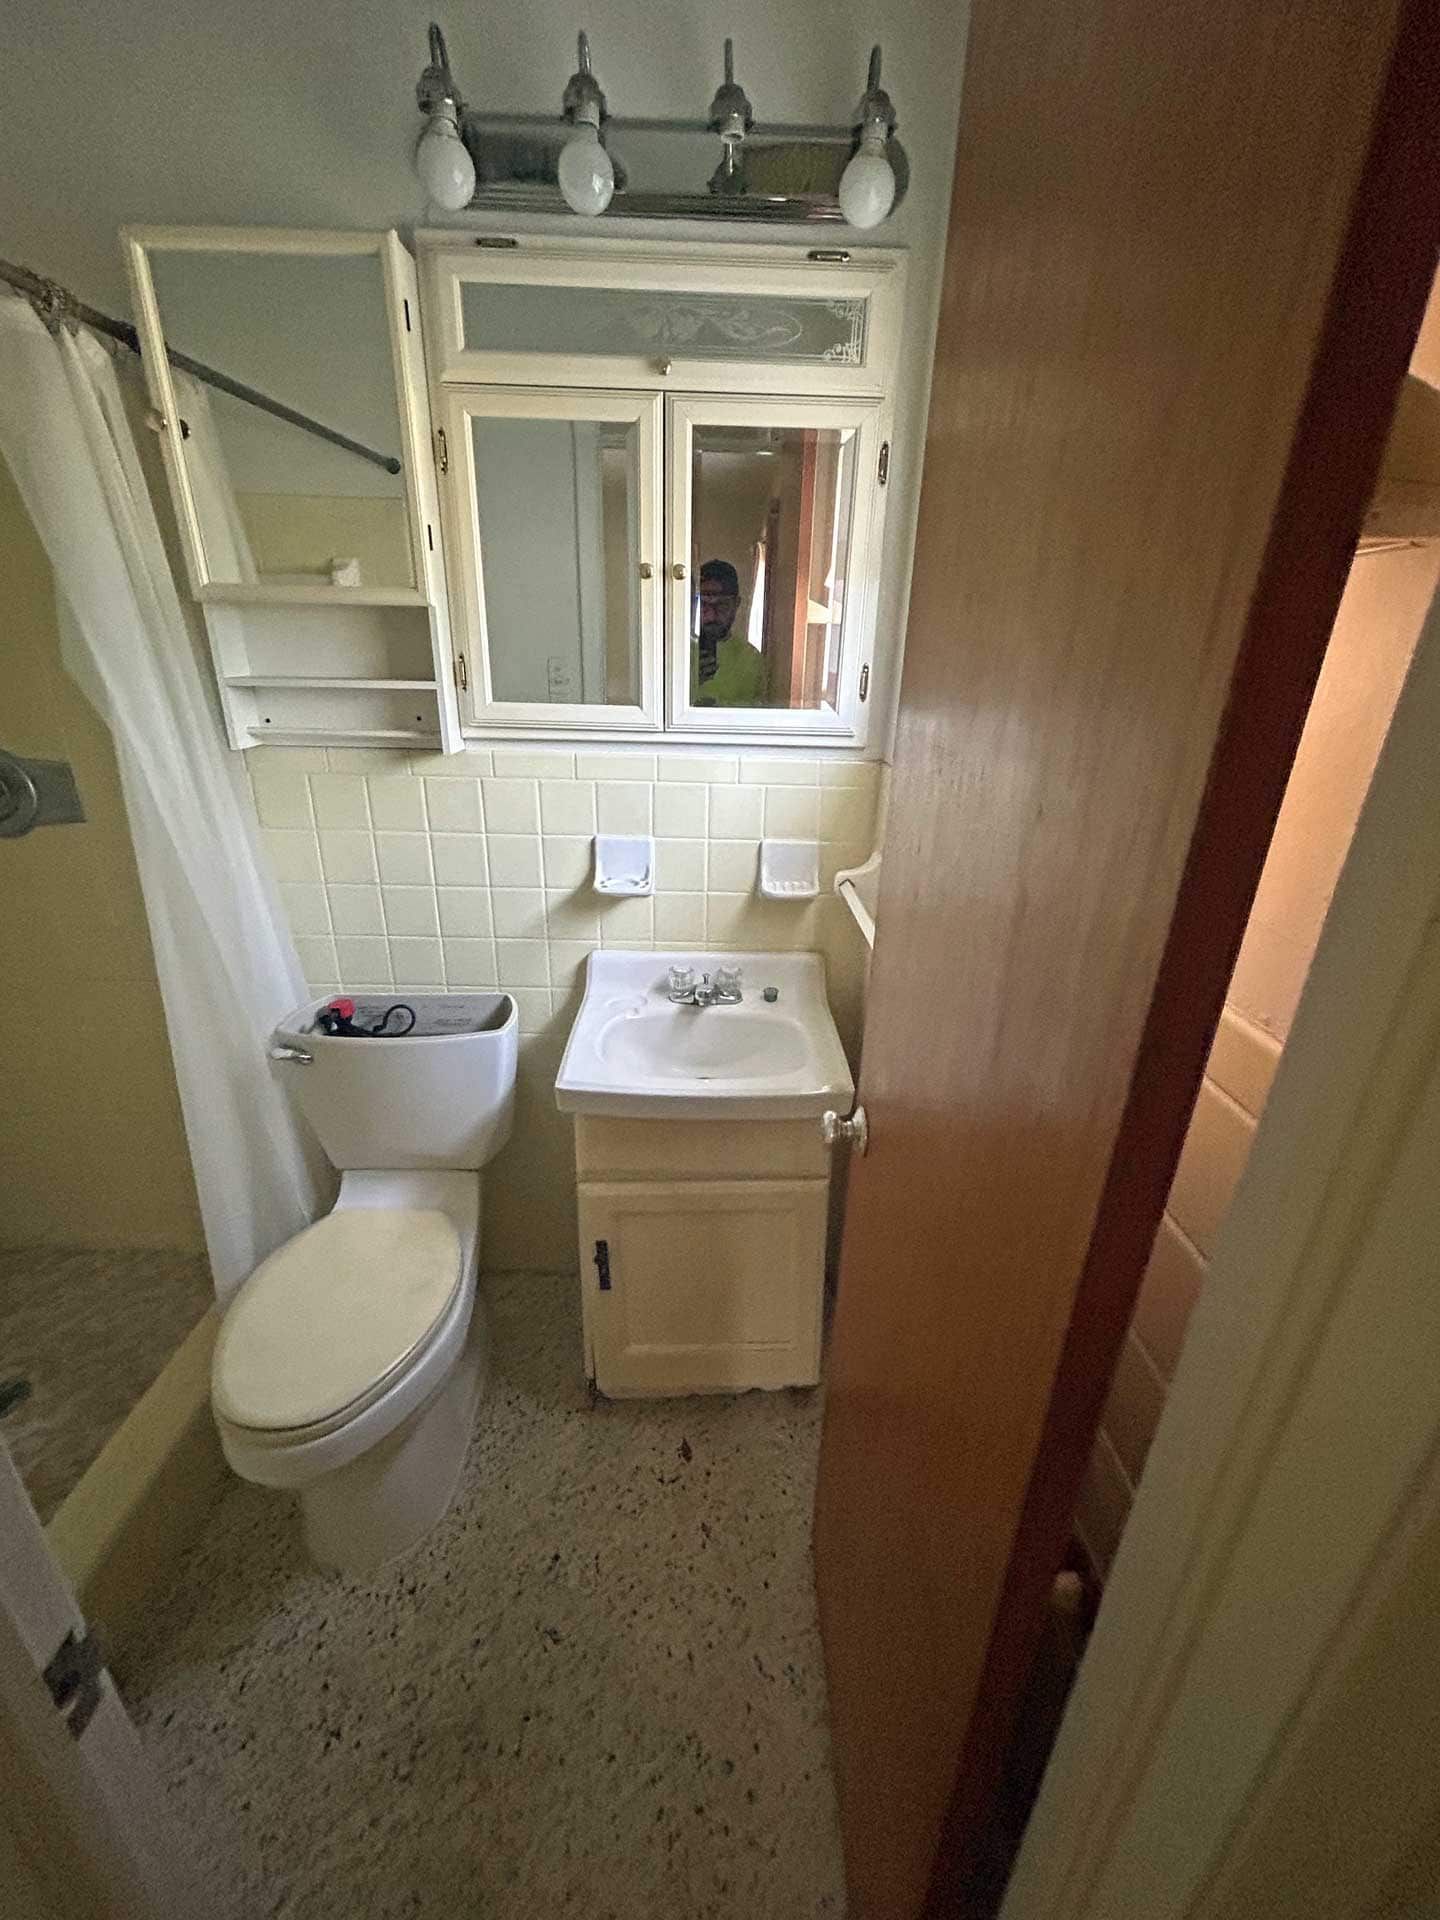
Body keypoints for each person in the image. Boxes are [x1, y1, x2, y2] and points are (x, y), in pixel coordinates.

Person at [690, 558, 767, 707]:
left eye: (722, 606)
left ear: (736, 604)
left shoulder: (751, 659)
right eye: (705, 605)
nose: (712, 616)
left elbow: (755, 717)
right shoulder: (677, 654)